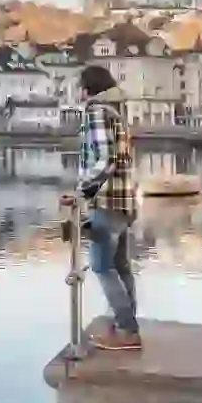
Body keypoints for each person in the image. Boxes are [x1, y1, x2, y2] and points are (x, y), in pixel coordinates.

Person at [61, 65, 140, 350]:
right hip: (125, 200)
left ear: (87, 89)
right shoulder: (117, 111)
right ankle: (124, 325)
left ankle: (127, 330)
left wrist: (82, 191)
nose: (78, 93)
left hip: (105, 200)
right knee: (120, 265)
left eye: (79, 87)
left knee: (101, 266)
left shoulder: (96, 112)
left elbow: (104, 159)